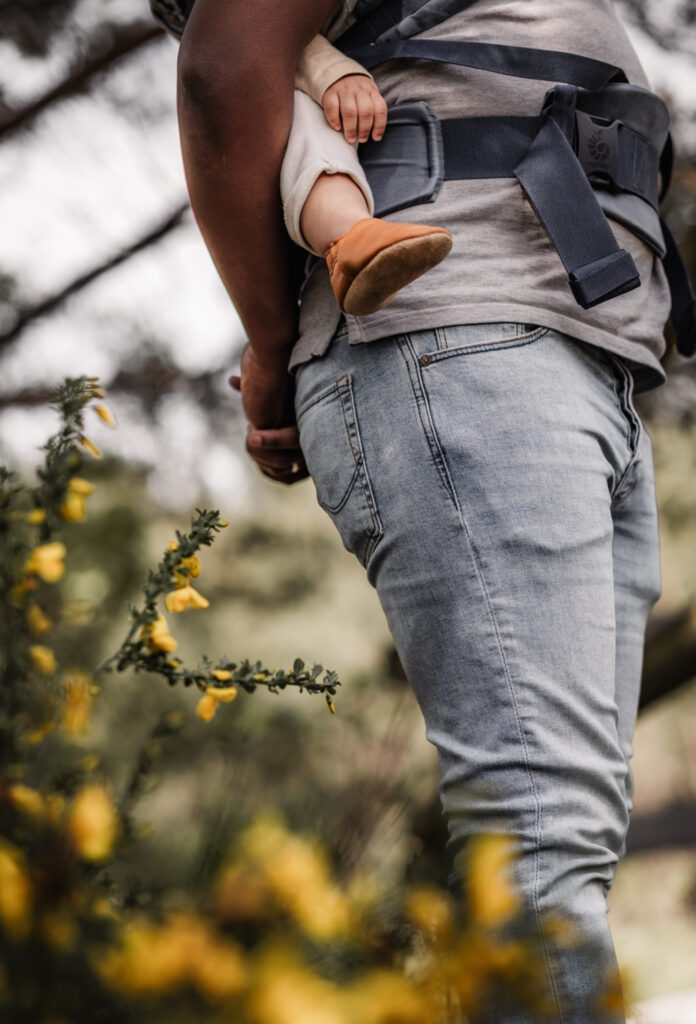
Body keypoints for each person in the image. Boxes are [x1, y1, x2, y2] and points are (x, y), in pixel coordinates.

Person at [171, 0, 670, 1020]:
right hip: (462, 337)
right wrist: (270, 346)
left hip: (573, 352)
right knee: (538, 839)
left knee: (562, 841)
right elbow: (225, 66)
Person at [151, 4, 452, 315]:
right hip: (293, 81)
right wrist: (332, 73)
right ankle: (348, 237)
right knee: (310, 126)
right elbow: (248, 38)